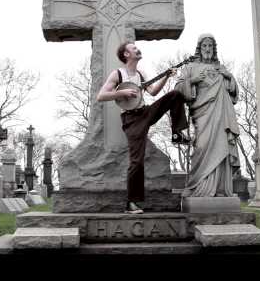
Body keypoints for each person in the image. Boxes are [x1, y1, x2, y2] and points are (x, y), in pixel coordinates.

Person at [97, 41, 190, 214]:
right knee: (136, 161)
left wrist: (166, 76)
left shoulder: (141, 73)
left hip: (145, 112)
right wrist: (121, 92)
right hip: (131, 120)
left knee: (175, 95)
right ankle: (131, 203)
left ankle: (177, 133)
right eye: (134, 48)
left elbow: (153, 92)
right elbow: (101, 96)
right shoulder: (118, 74)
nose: (138, 49)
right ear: (126, 54)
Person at [175, 33, 241, 197]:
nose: (207, 49)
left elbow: (233, 91)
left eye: (210, 46)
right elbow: (178, 88)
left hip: (222, 114)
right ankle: (198, 186)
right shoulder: (190, 68)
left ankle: (220, 189)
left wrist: (229, 77)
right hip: (202, 114)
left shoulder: (221, 68)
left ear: (214, 48)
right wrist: (193, 80)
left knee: (222, 147)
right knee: (202, 146)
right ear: (199, 48)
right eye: (204, 45)